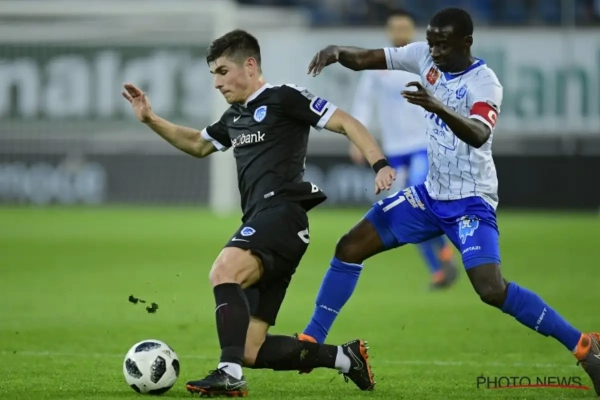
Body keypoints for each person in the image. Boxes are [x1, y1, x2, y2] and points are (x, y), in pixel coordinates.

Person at [296, 7, 600, 394]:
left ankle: (584, 345)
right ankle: (311, 341)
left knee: (491, 290)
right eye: (432, 42)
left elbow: (478, 133)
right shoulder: (423, 55)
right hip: (429, 196)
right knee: (349, 246)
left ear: (466, 42)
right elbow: (368, 58)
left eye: (443, 44)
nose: (435, 51)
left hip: (471, 202)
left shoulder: (484, 82)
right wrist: (337, 51)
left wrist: (438, 105)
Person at [122, 29, 392, 397]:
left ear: (249, 66)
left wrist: (379, 163)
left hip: (282, 216)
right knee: (250, 348)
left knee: (223, 270)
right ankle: (345, 358)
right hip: (267, 226)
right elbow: (198, 144)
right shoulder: (234, 116)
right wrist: (151, 119)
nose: (217, 83)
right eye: (213, 74)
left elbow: (346, 122)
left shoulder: (284, 98)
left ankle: (228, 373)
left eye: (222, 72)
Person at [349, 8, 458, 291]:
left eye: (404, 27)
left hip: (423, 145)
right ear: (389, 31)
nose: (399, 32)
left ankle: (444, 254)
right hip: (394, 149)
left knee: (416, 194)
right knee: (405, 211)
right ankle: (439, 268)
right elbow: (363, 102)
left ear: (412, 30)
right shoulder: (377, 64)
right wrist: (358, 140)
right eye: (395, 28)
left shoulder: (427, 61)